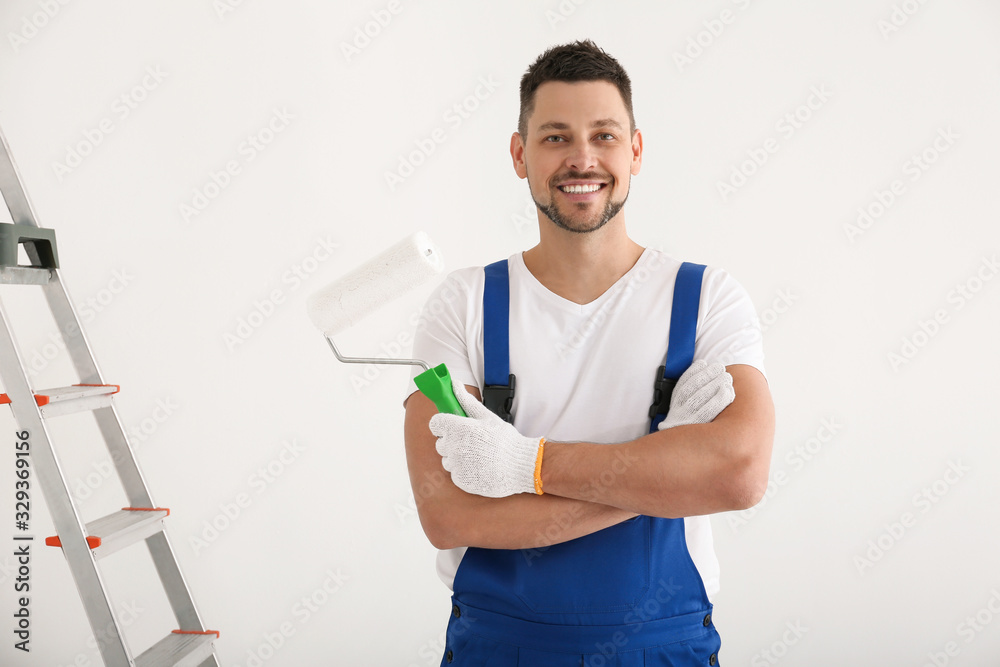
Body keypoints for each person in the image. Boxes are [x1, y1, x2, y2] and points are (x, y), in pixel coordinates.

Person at [403, 39, 774, 666]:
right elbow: (447, 513)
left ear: (635, 150)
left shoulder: (708, 297)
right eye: (554, 137)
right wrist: (666, 468)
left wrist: (527, 466)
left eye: (604, 135)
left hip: (663, 647)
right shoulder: (462, 304)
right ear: (520, 155)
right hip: (500, 647)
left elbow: (739, 475)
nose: (582, 158)